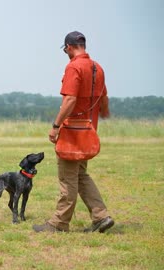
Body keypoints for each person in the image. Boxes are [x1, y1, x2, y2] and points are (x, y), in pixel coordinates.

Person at [33, 31, 114, 233]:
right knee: (80, 175)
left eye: (65, 50)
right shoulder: (98, 68)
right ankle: (101, 217)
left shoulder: (74, 67)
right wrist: (103, 115)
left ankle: (59, 223)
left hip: (72, 132)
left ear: (68, 47)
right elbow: (104, 99)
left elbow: (69, 99)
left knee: (67, 178)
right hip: (89, 130)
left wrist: (55, 126)